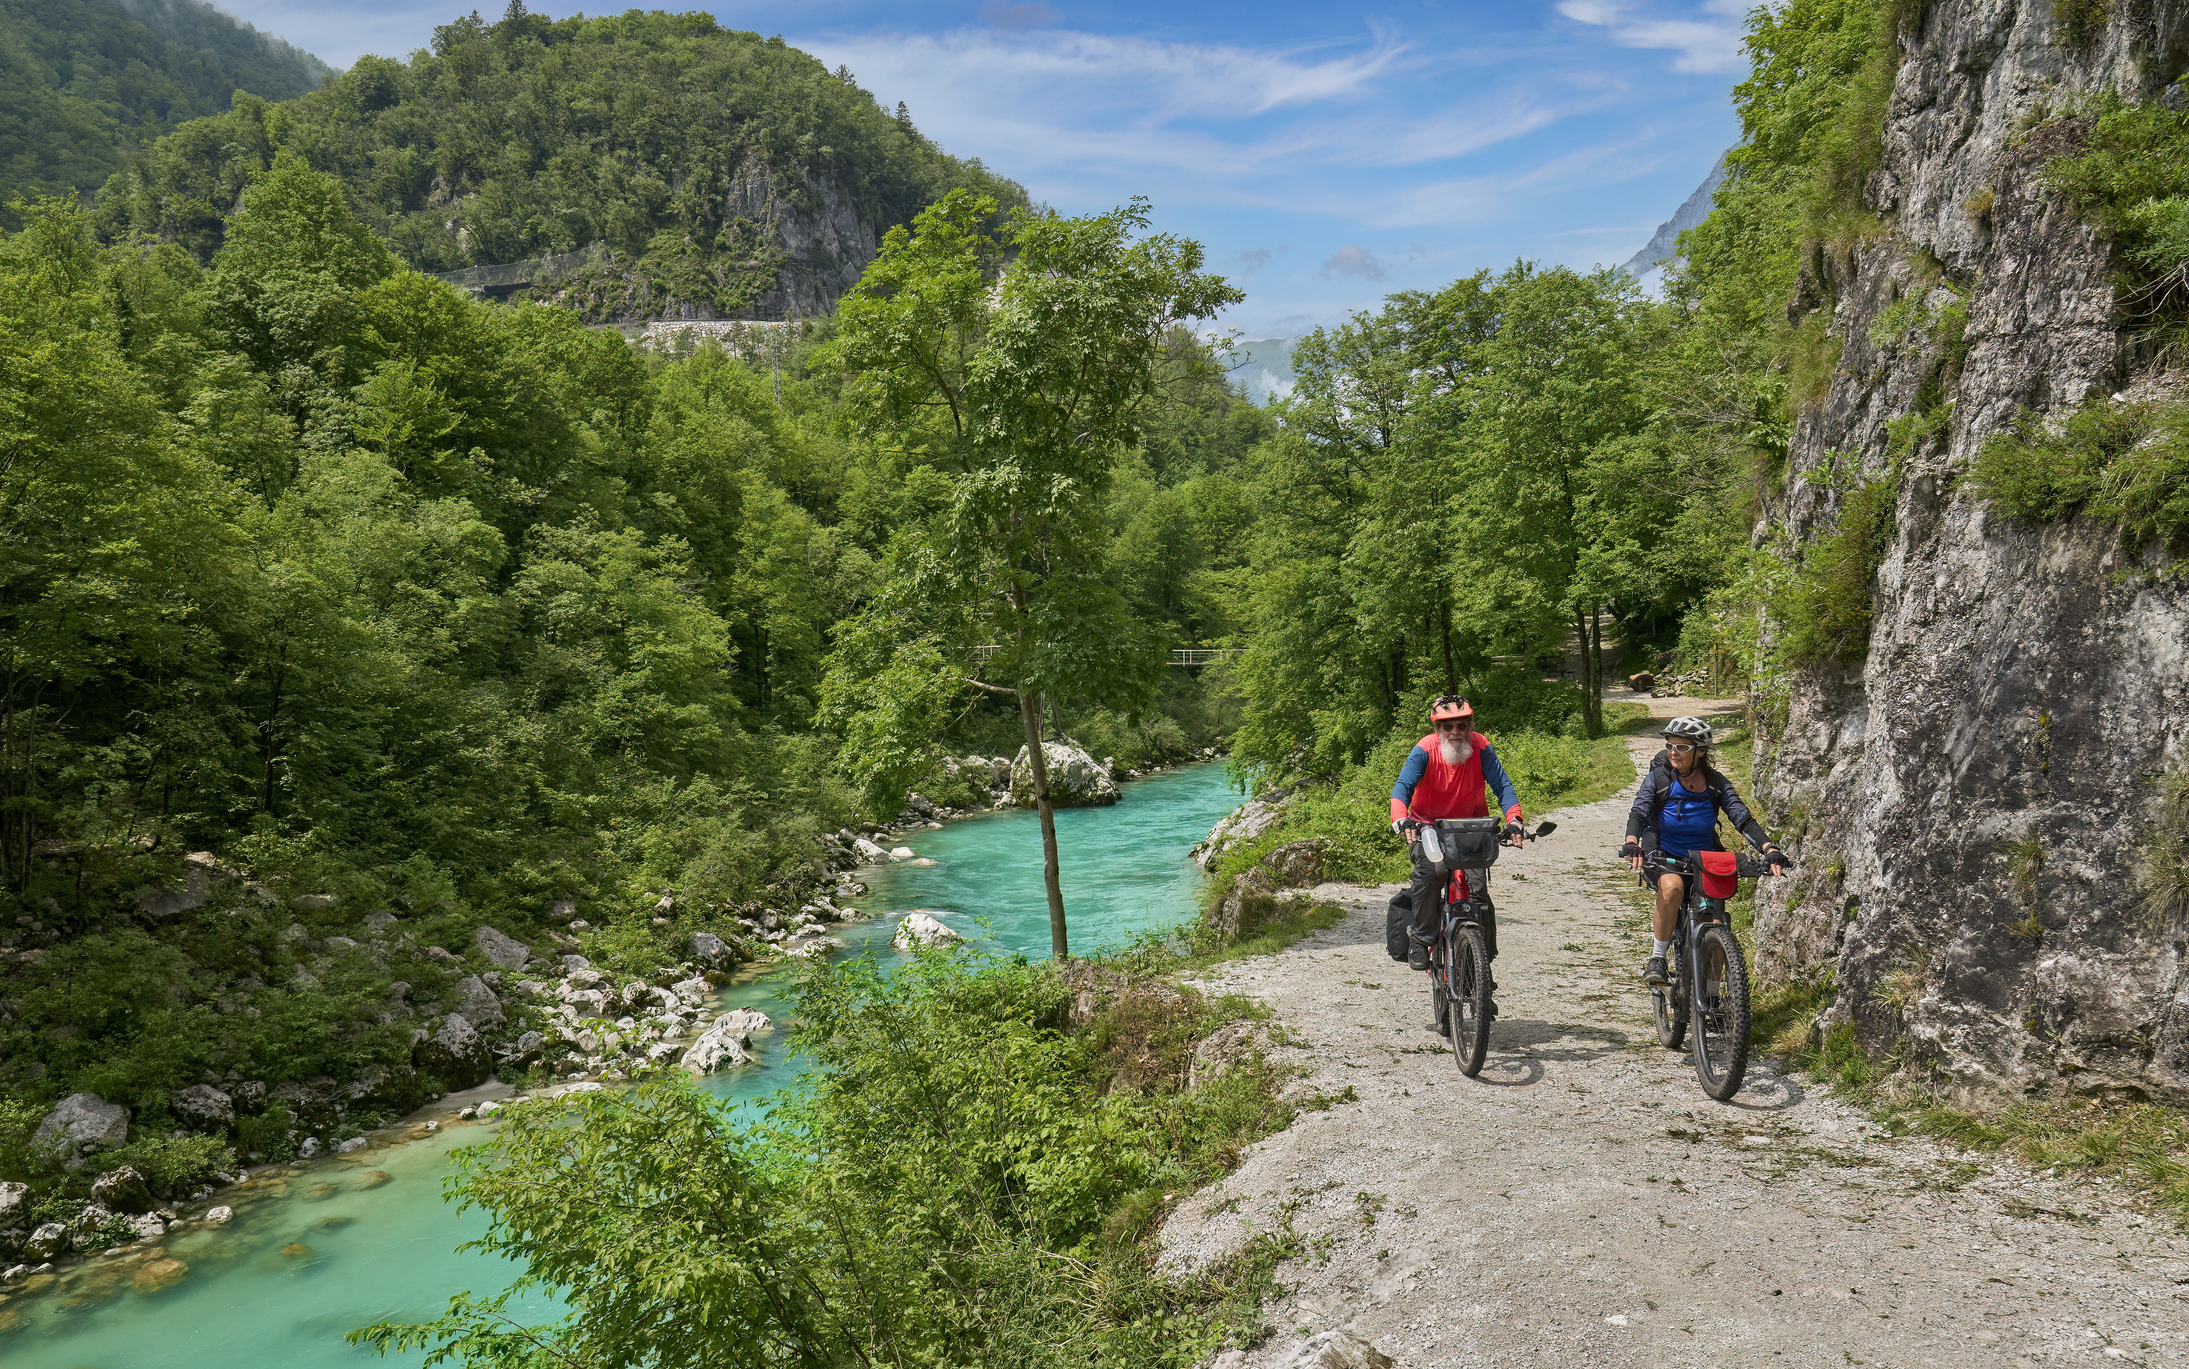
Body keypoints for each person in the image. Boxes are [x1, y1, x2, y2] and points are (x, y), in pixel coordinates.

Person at [1621, 716, 1788, 986]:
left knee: (1718, 924)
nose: (1674, 752)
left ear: (1700, 751)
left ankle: (1711, 995)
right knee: (1672, 887)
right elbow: (1639, 812)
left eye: (1682, 747)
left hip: (1704, 858)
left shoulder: (1716, 783)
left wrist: (1769, 848)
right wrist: (1632, 841)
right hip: (1664, 852)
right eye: (1670, 745)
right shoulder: (1659, 779)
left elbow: (1742, 818)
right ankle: (1658, 958)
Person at [1389, 695, 1526, 976]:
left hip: (1471, 828)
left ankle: (1481, 967)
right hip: (1428, 827)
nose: (1455, 733)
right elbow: (1402, 787)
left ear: (1469, 726)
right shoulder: (1425, 749)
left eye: (1461, 726)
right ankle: (1422, 937)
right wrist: (1401, 819)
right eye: (1447, 727)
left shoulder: (1481, 746)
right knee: (1431, 871)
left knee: (1477, 892)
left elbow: (1503, 785)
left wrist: (1515, 819)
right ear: (1437, 729)